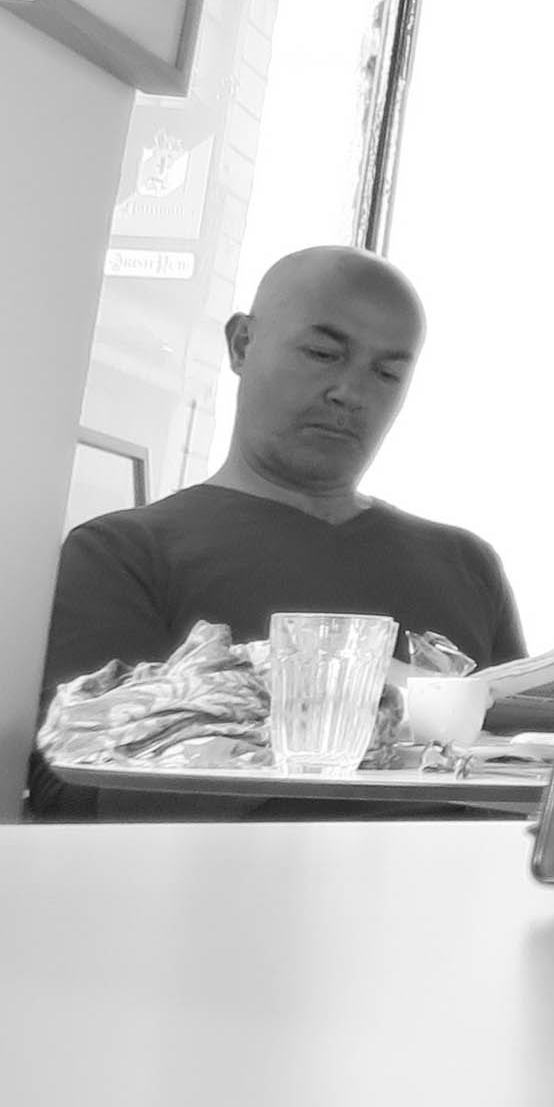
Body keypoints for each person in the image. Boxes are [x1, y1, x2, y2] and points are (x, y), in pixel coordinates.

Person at [32, 246, 525, 818]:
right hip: (229, 879)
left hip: (460, 877)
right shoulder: (122, 555)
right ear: (242, 344)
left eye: (387, 373)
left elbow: (527, 768)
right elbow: (67, 794)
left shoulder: (466, 563)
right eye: (323, 354)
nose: (350, 393)